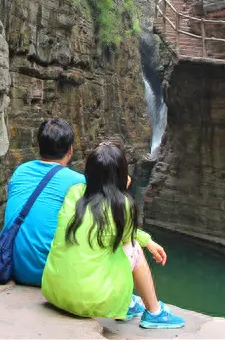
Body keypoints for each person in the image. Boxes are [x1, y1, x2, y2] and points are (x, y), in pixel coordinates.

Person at [41, 141, 185, 330]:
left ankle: (130, 302)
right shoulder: (122, 205)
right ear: (121, 175)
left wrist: (147, 240)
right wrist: (122, 193)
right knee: (133, 249)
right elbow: (127, 239)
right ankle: (154, 312)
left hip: (54, 293)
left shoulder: (74, 192)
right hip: (90, 302)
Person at [3, 118, 86, 286]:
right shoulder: (78, 181)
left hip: (12, 266)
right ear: (70, 150)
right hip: (50, 274)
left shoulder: (21, 171)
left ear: (39, 147)